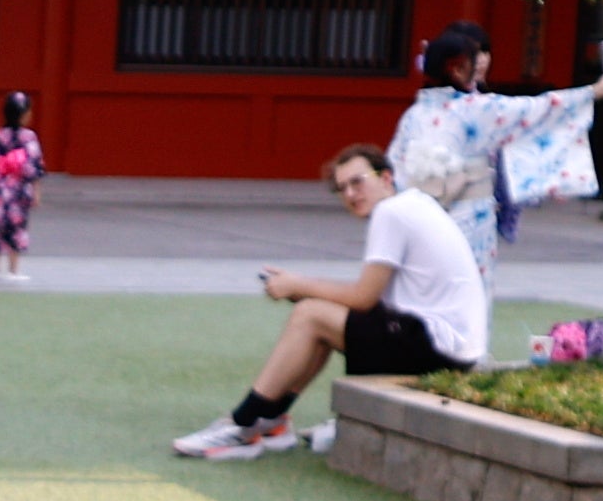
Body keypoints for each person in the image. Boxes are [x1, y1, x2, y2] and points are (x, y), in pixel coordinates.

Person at [175, 145, 469, 455]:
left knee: (311, 316)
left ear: (385, 178)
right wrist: (301, 289)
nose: (351, 194)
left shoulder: (391, 213)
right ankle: (272, 421)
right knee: (317, 316)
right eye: (342, 188)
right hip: (444, 347)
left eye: (358, 181)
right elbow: (371, 300)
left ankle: (242, 424)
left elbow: (363, 299)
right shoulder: (412, 205)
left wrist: (299, 285)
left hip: (438, 353)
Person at [382, 21, 603, 323]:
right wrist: (598, 90)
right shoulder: (476, 109)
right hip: (468, 221)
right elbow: (538, 109)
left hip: (420, 221)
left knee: (424, 293)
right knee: (468, 294)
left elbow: (393, 169)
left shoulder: (414, 115)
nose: (480, 66)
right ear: (458, 69)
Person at [0, 85, 47, 275]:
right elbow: (34, 166)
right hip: (19, 189)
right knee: (16, 226)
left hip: (0, 189)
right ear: (24, 114)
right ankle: (13, 268)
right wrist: (36, 192)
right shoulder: (29, 137)